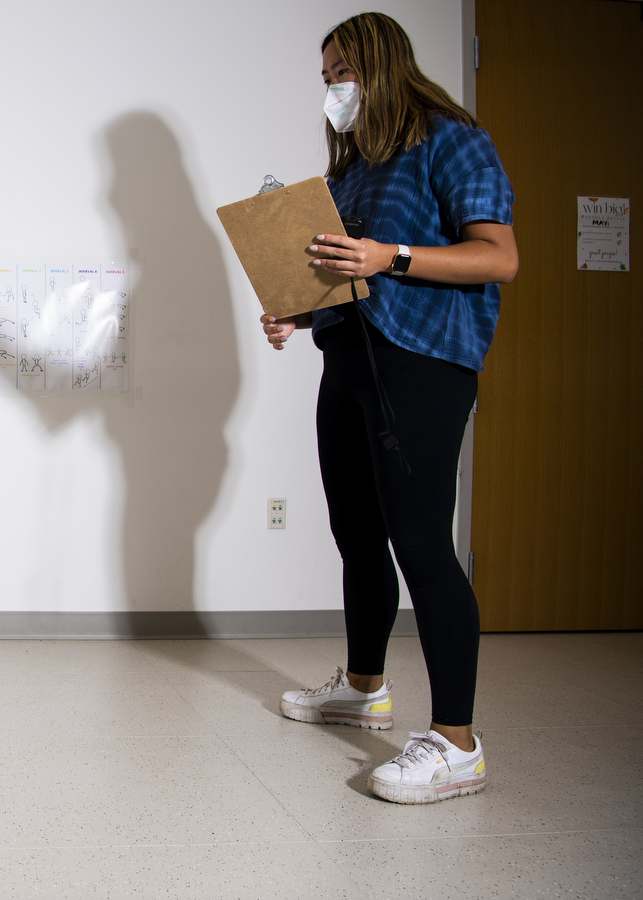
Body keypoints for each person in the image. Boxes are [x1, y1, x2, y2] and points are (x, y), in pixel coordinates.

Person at [261, 13, 517, 804]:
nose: (334, 87)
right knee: (356, 533)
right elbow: (348, 277)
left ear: (378, 64)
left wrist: (391, 255)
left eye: (342, 70)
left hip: (424, 363)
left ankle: (457, 743)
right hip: (350, 359)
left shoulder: (452, 139)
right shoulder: (353, 169)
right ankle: (364, 688)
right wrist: (296, 312)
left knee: (419, 540)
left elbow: (499, 256)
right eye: (326, 75)